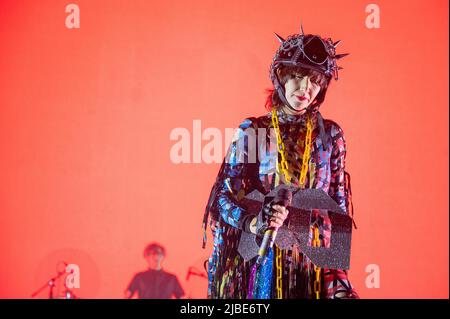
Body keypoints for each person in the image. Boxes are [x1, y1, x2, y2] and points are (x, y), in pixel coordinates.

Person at [202, 26, 359, 299]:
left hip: (309, 269)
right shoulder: (253, 130)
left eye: (314, 81)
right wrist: (253, 222)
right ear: (281, 77)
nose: (305, 89)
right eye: (298, 77)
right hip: (256, 265)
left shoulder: (331, 136)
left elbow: (338, 213)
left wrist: (339, 278)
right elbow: (224, 198)